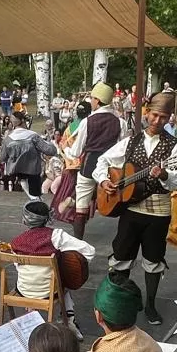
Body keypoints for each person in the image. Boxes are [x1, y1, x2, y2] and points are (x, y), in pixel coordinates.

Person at [95, 94, 177, 325]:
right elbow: (103, 161)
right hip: (130, 209)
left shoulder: (174, 146)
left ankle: (150, 305)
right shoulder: (131, 141)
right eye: (154, 115)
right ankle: (118, 303)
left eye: (163, 117)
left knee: (154, 258)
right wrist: (104, 181)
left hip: (158, 211)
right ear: (146, 113)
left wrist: (164, 173)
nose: (158, 120)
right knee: (121, 256)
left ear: (169, 119)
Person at [7, 201, 95, 331]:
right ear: (47, 218)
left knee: (44, 277)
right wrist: (70, 264)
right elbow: (89, 251)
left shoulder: (15, 242)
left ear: (25, 219)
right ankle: (70, 321)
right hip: (48, 292)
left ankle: (30, 319)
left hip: (24, 290)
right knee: (62, 281)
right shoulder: (56, 236)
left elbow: (18, 267)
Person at [67, 83, 123, 238]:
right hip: (110, 168)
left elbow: (77, 151)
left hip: (89, 165)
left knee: (81, 207)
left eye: (92, 98)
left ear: (97, 100)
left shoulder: (87, 122)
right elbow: (122, 148)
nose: (90, 101)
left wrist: (66, 151)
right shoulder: (120, 122)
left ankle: (77, 244)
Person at [3, 111, 59, 200]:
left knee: (28, 188)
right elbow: (49, 150)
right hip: (33, 172)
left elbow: (3, 157)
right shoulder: (32, 136)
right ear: (23, 121)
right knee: (36, 196)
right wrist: (51, 144)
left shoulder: (8, 139)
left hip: (17, 172)